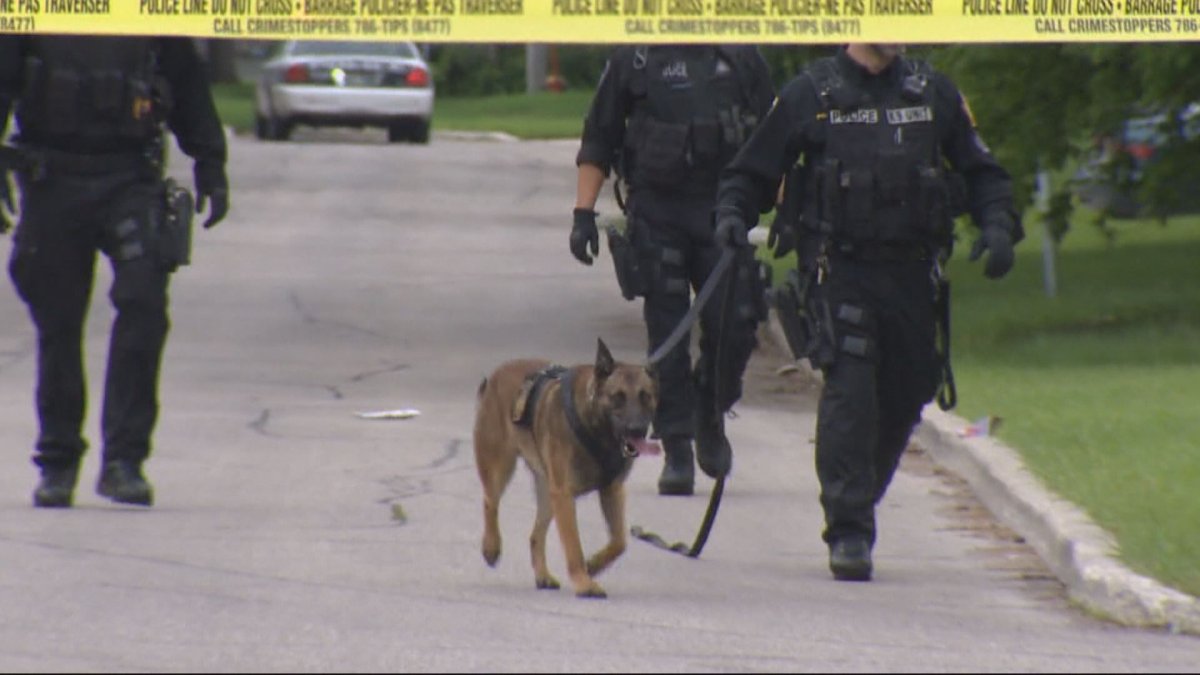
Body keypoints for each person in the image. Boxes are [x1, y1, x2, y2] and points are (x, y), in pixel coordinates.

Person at [714, 44, 1022, 581]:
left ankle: (858, 496)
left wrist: (998, 226)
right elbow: (753, 170)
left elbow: (983, 172)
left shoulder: (934, 93)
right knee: (851, 390)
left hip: (912, 276)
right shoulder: (813, 92)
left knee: (907, 392)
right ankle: (850, 528)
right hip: (841, 272)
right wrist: (733, 214)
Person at [0, 36, 230, 508]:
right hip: (52, 178)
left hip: (130, 176)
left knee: (143, 304)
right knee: (58, 325)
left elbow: (185, 79)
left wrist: (210, 160)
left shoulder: (146, 9)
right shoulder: (33, 10)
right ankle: (58, 462)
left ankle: (124, 461)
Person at [571, 44, 775, 496]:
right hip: (658, 212)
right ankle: (678, 445)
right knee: (668, 336)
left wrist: (792, 211)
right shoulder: (636, 57)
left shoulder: (742, 56)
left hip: (726, 212)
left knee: (738, 324)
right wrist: (583, 214)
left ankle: (712, 407)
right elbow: (599, 136)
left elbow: (776, 138)